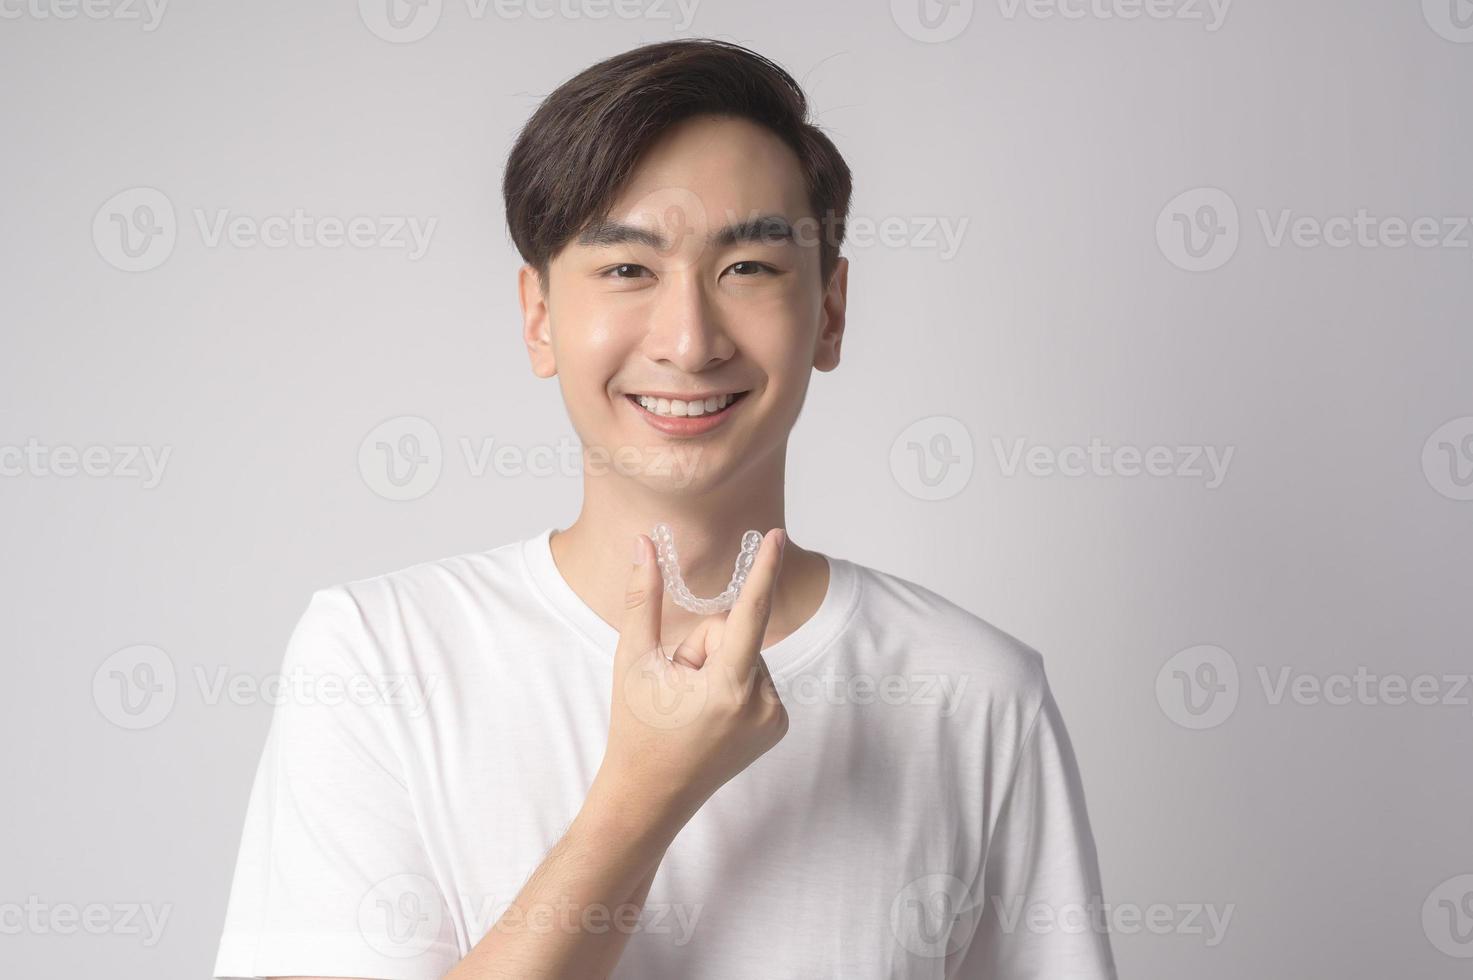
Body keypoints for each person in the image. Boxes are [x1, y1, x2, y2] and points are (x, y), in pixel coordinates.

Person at [212, 38, 1117, 980]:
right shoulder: (380, 655)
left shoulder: (972, 689)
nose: (688, 343)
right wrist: (644, 792)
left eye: (749, 269)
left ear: (831, 312)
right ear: (538, 318)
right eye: (627, 271)